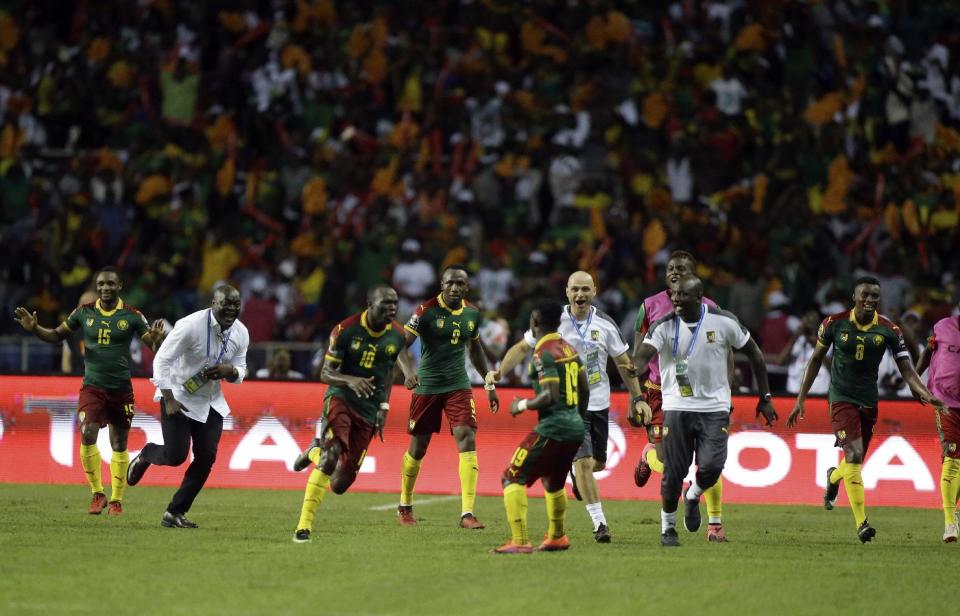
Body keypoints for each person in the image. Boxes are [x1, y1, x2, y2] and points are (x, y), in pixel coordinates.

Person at [486, 271, 647, 543]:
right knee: (583, 464)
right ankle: (600, 525)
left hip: (599, 403)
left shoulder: (606, 324)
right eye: (575, 290)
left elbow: (623, 361)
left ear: (594, 291)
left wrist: (637, 397)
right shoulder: (552, 322)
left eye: (585, 289)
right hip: (568, 405)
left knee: (596, 465)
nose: (580, 295)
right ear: (567, 291)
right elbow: (523, 348)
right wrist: (500, 372)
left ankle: (576, 474)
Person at [787, 276, 945, 543]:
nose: (870, 300)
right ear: (854, 297)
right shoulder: (833, 324)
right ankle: (862, 523)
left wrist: (926, 394)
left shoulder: (888, 330)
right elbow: (815, 360)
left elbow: (907, 370)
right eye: (866, 295)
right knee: (854, 454)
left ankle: (833, 477)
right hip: (840, 397)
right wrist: (800, 397)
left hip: (869, 400)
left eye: (875, 296)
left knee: (853, 462)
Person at [631, 277, 777, 547]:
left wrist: (761, 395)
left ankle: (696, 500)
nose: (675, 299)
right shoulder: (659, 320)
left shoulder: (722, 320)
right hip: (671, 402)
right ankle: (668, 529)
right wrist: (634, 386)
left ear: (699, 296)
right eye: (673, 294)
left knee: (711, 466)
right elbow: (642, 354)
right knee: (671, 470)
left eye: (682, 295)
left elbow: (751, 353)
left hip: (713, 406)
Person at [14, 266, 163, 515]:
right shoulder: (83, 313)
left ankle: (116, 500)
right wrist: (35, 329)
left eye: (110, 284)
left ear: (120, 286)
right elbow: (56, 335)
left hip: (121, 389)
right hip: (92, 387)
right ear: (97, 287)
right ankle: (97, 493)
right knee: (87, 432)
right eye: (101, 284)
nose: (105, 288)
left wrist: (157, 339)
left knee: (119, 442)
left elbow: (154, 346)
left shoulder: (133, 316)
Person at [291, 285, 414, 543]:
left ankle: (314, 450)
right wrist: (349, 380)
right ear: (370, 304)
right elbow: (324, 372)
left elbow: (390, 372)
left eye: (395, 303)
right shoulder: (345, 330)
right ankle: (303, 527)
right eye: (386, 304)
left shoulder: (397, 335)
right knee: (331, 457)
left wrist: (384, 407)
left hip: (369, 410)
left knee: (339, 484)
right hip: (341, 399)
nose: (392, 308)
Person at [126, 285, 250, 529]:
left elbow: (241, 369)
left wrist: (231, 371)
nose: (231, 309)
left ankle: (174, 512)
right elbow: (161, 359)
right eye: (226, 303)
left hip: (210, 400)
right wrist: (169, 398)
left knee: (207, 457)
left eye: (236, 305)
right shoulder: (190, 325)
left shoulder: (241, 332)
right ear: (213, 302)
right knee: (176, 456)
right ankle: (146, 454)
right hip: (178, 396)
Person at [631, 251, 730, 542]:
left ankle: (715, 525)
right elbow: (637, 354)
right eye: (671, 269)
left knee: (710, 462)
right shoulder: (648, 306)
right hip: (661, 393)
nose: (675, 272)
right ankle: (649, 456)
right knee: (668, 462)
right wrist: (633, 397)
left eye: (682, 269)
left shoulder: (712, 309)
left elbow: (725, 351)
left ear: (694, 273)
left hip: (703, 396)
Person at [397, 264, 499, 528]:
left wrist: (488, 382)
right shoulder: (426, 311)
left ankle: (467, 513)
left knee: (467, 437)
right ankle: (405, 505)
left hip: (458, 386)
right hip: (427, 386)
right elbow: (400, 345)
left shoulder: (472, 314)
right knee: (418, 448)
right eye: (450, 283)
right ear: (442, 285)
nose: (455, 288)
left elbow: (475, 349)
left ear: (467, 287)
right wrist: (408, 371)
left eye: (460, 284)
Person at [492, 299, 589, 554]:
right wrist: (578, 419)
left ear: (534, 322)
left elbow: (550, 395)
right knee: (554, 482)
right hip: (574, 427)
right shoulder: (569, 348)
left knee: (511, 476)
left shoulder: (543, 352)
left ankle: (520, 540)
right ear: (557, 322)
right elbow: (585, 387)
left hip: (553, 427)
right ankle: (557, 536)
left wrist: (521, 405)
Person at [911, 300, 959, 543]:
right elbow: (928, 351)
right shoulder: (943, 327)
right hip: (945, 403)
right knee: (951, 458)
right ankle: (950, 523)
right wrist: (916, 381)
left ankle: (953, 512)